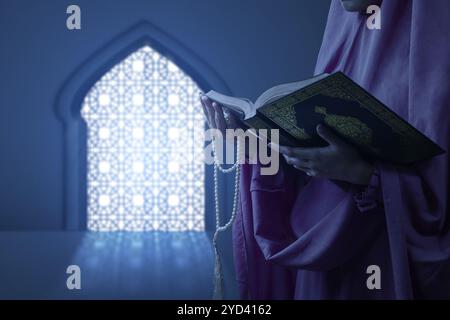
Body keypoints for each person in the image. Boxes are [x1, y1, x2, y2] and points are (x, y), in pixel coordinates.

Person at [200, 0, 450, 299]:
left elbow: (439, 205)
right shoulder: (346, 31)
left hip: (388, 265)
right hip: (326, 269)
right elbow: (314, 170)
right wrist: (256, 145)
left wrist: (364, 175)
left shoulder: (436, 31)